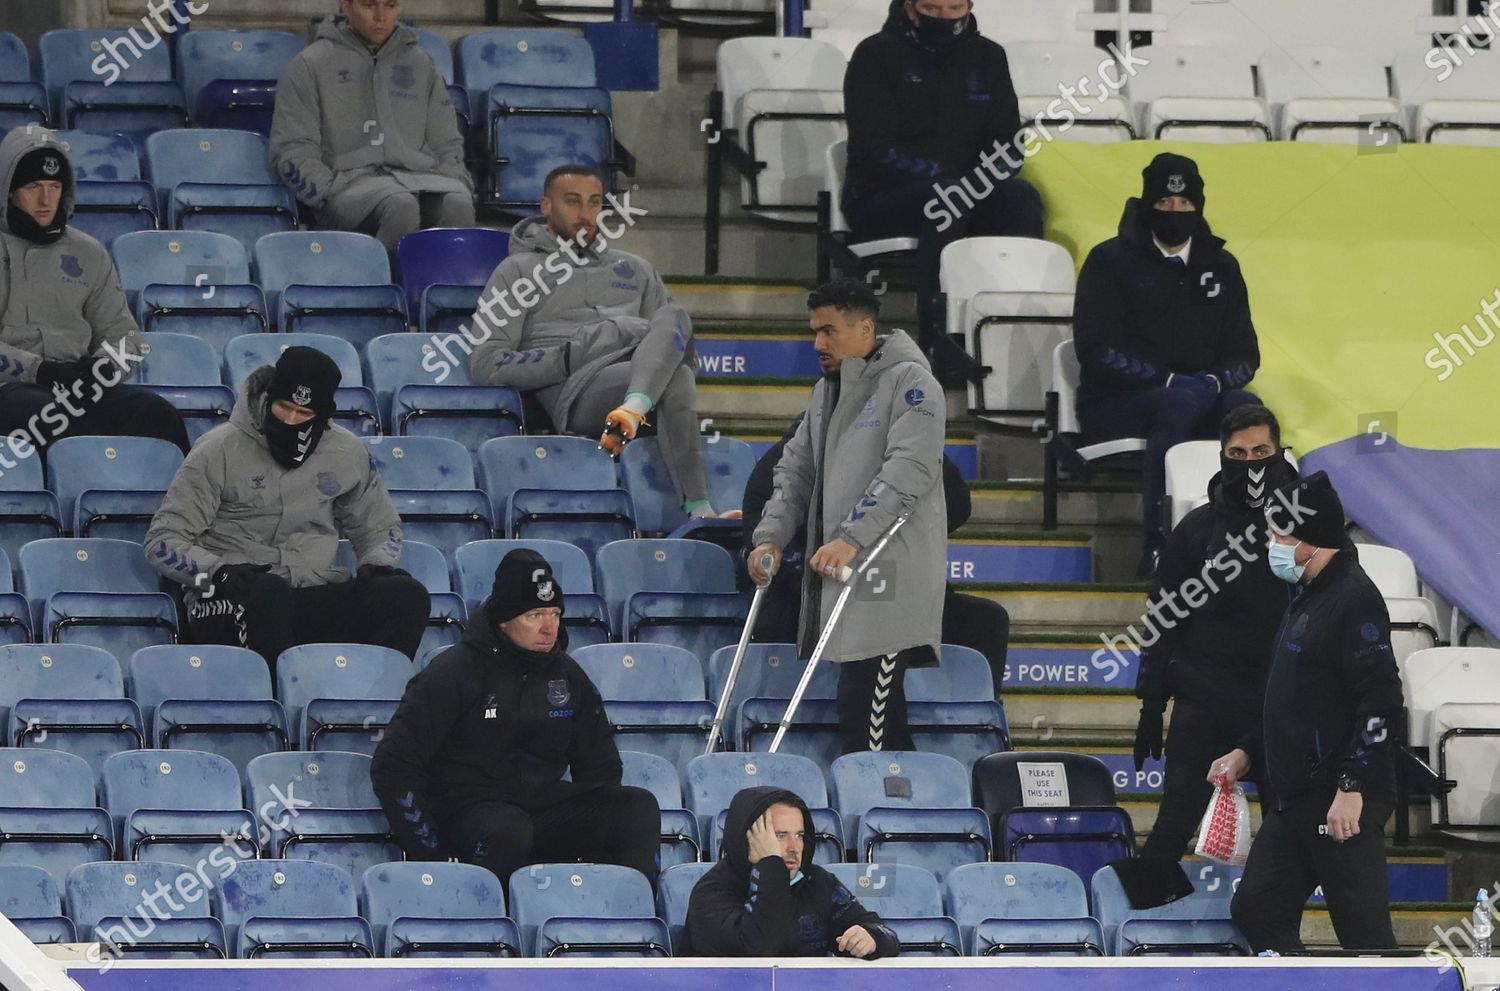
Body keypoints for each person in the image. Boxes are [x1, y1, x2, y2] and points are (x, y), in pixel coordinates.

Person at [370, 548, 661, 887]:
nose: (549, 627)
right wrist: (431, 853)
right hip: (469, 810)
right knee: (508, 829)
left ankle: (625, 921)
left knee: (636, 808)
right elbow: (393, 766)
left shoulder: (567, 676)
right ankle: (481, 922)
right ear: (504, 620)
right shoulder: (454, 672)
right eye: (535, 615)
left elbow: (601, 768)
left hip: (543, 808)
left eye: (555, 613)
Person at [749, 278, 947, 754]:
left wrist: (852, 538)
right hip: (848, 575)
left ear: (865, 328)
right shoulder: (827, 391)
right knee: (864, 713)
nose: (818, 343)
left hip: (888, 576)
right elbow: (794, 470)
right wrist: (770, 537)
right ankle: (897, 819)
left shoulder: (913, 383)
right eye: (814, 331)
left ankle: (904, 819)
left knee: (869, 715)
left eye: (829, 331)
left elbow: (909, 471)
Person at [1212, 471, 1403, 953]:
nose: (1272, 544)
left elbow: (1381, 701)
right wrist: (1246, 751)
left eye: (1280, 534)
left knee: (1366, 940)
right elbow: (1292, 697)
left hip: (1339, 800)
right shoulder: (1307, 597)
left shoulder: (1354, 600)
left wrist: (1352, 785)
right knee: (1257, 909)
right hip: (1294, 798)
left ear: (1311, 540)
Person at [144, 347, 429, 669]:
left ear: (321, 416)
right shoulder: (217, 449)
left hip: (313, 589)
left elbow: (379, 526)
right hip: (230, 595)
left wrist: (377, 563)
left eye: (303, 415)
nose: (291, 420)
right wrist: (216, 572)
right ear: (269, 399)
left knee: (405, 596)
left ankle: (374, 701)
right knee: (269, 594)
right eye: (283, 408)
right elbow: (162, 541)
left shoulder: (347, 452)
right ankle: (279, 706)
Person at [467, 165, 725, 517]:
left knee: (674, 320)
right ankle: (696, 502)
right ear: (545, 206)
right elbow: (486, 364)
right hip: (577, 388)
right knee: (671, 370)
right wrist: (569, 356)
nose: (585, 214)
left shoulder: (635, 268)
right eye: (572, 202)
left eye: (594, 203)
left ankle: (635, 414)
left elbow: (676, 346)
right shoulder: (518, 272)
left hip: (636, 376)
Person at [1073, 152, 1262, 578]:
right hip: (1115, 403)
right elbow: (1096, 349)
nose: (1175, 213)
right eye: (1164, 204)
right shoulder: (1109, 261)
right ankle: (1158, 546)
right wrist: (1169, 380)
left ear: (1198, 208)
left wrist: (1214, 382)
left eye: (1184, 206)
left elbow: (1245, 353)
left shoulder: (1222, 266)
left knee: (1245, 410)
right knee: (1175, 404)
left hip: (1199, 394)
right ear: (1147, 205)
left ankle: (1251, 535)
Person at [842, 0, 1044, 379]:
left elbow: (1008, 145)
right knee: (947, 197)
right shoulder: (874, 55)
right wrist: (952, 181)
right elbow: (874, 149)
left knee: (1021, 198)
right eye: (932, 8)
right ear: (910, 7)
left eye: (954, 8)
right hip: (881, 197)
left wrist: (977, 182)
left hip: (964, 190)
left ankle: (1020, 332)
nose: (944, 17)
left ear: (969, 7)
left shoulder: (989, 57)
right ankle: (937, 339)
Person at [1132, 405, 1296, 860]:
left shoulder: (1310, 524)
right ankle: (1144, 927)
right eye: (1238, 453)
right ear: (1223, 457)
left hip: (1282, 712)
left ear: (1279, 452)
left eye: (1261, 451)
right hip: (1206, 704)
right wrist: (1150, 704)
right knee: (1169, 834)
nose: (1251, 463)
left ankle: (1266, 927)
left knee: (1290, 843)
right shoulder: (1197, 529)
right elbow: (1163, 618)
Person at [742, 412, 1010, 691]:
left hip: (891, 588)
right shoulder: (780, 467)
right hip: (808, 599)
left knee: (986, 620)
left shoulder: (893, 457)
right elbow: (769, 554)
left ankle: (971, 719)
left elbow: (956, 506)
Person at [0, 128, 189, 454]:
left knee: (157, 414)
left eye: (54, 187)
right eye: (33, 187)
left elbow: (129, 341)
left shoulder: (89, 252)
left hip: (80, 383)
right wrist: (41, 370)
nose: (46, 200)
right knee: (45, 415)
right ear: (9, 191)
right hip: (13, 385)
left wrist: (101, 371)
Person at [269, 0, 474, 254]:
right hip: (347, 188)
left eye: (390, 6)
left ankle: (441, 293)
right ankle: (384, 291)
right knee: (400, 206)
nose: (381, 16)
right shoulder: (308, 65)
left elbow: (447, 144)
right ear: (346, 5)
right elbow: (292, 151)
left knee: (458, 204)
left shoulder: (423, 64)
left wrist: (455, 181)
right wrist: (327, 193)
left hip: (422, 179)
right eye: (369, 5)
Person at [685, 786, 901, 957]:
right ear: (748, 837)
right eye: (780, 836)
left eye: (799, 835)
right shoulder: (711, 893)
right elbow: (760, 949)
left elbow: (883, 932)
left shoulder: (818, 882)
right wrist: (770, 867)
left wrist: (872, 938)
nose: (794, 847)